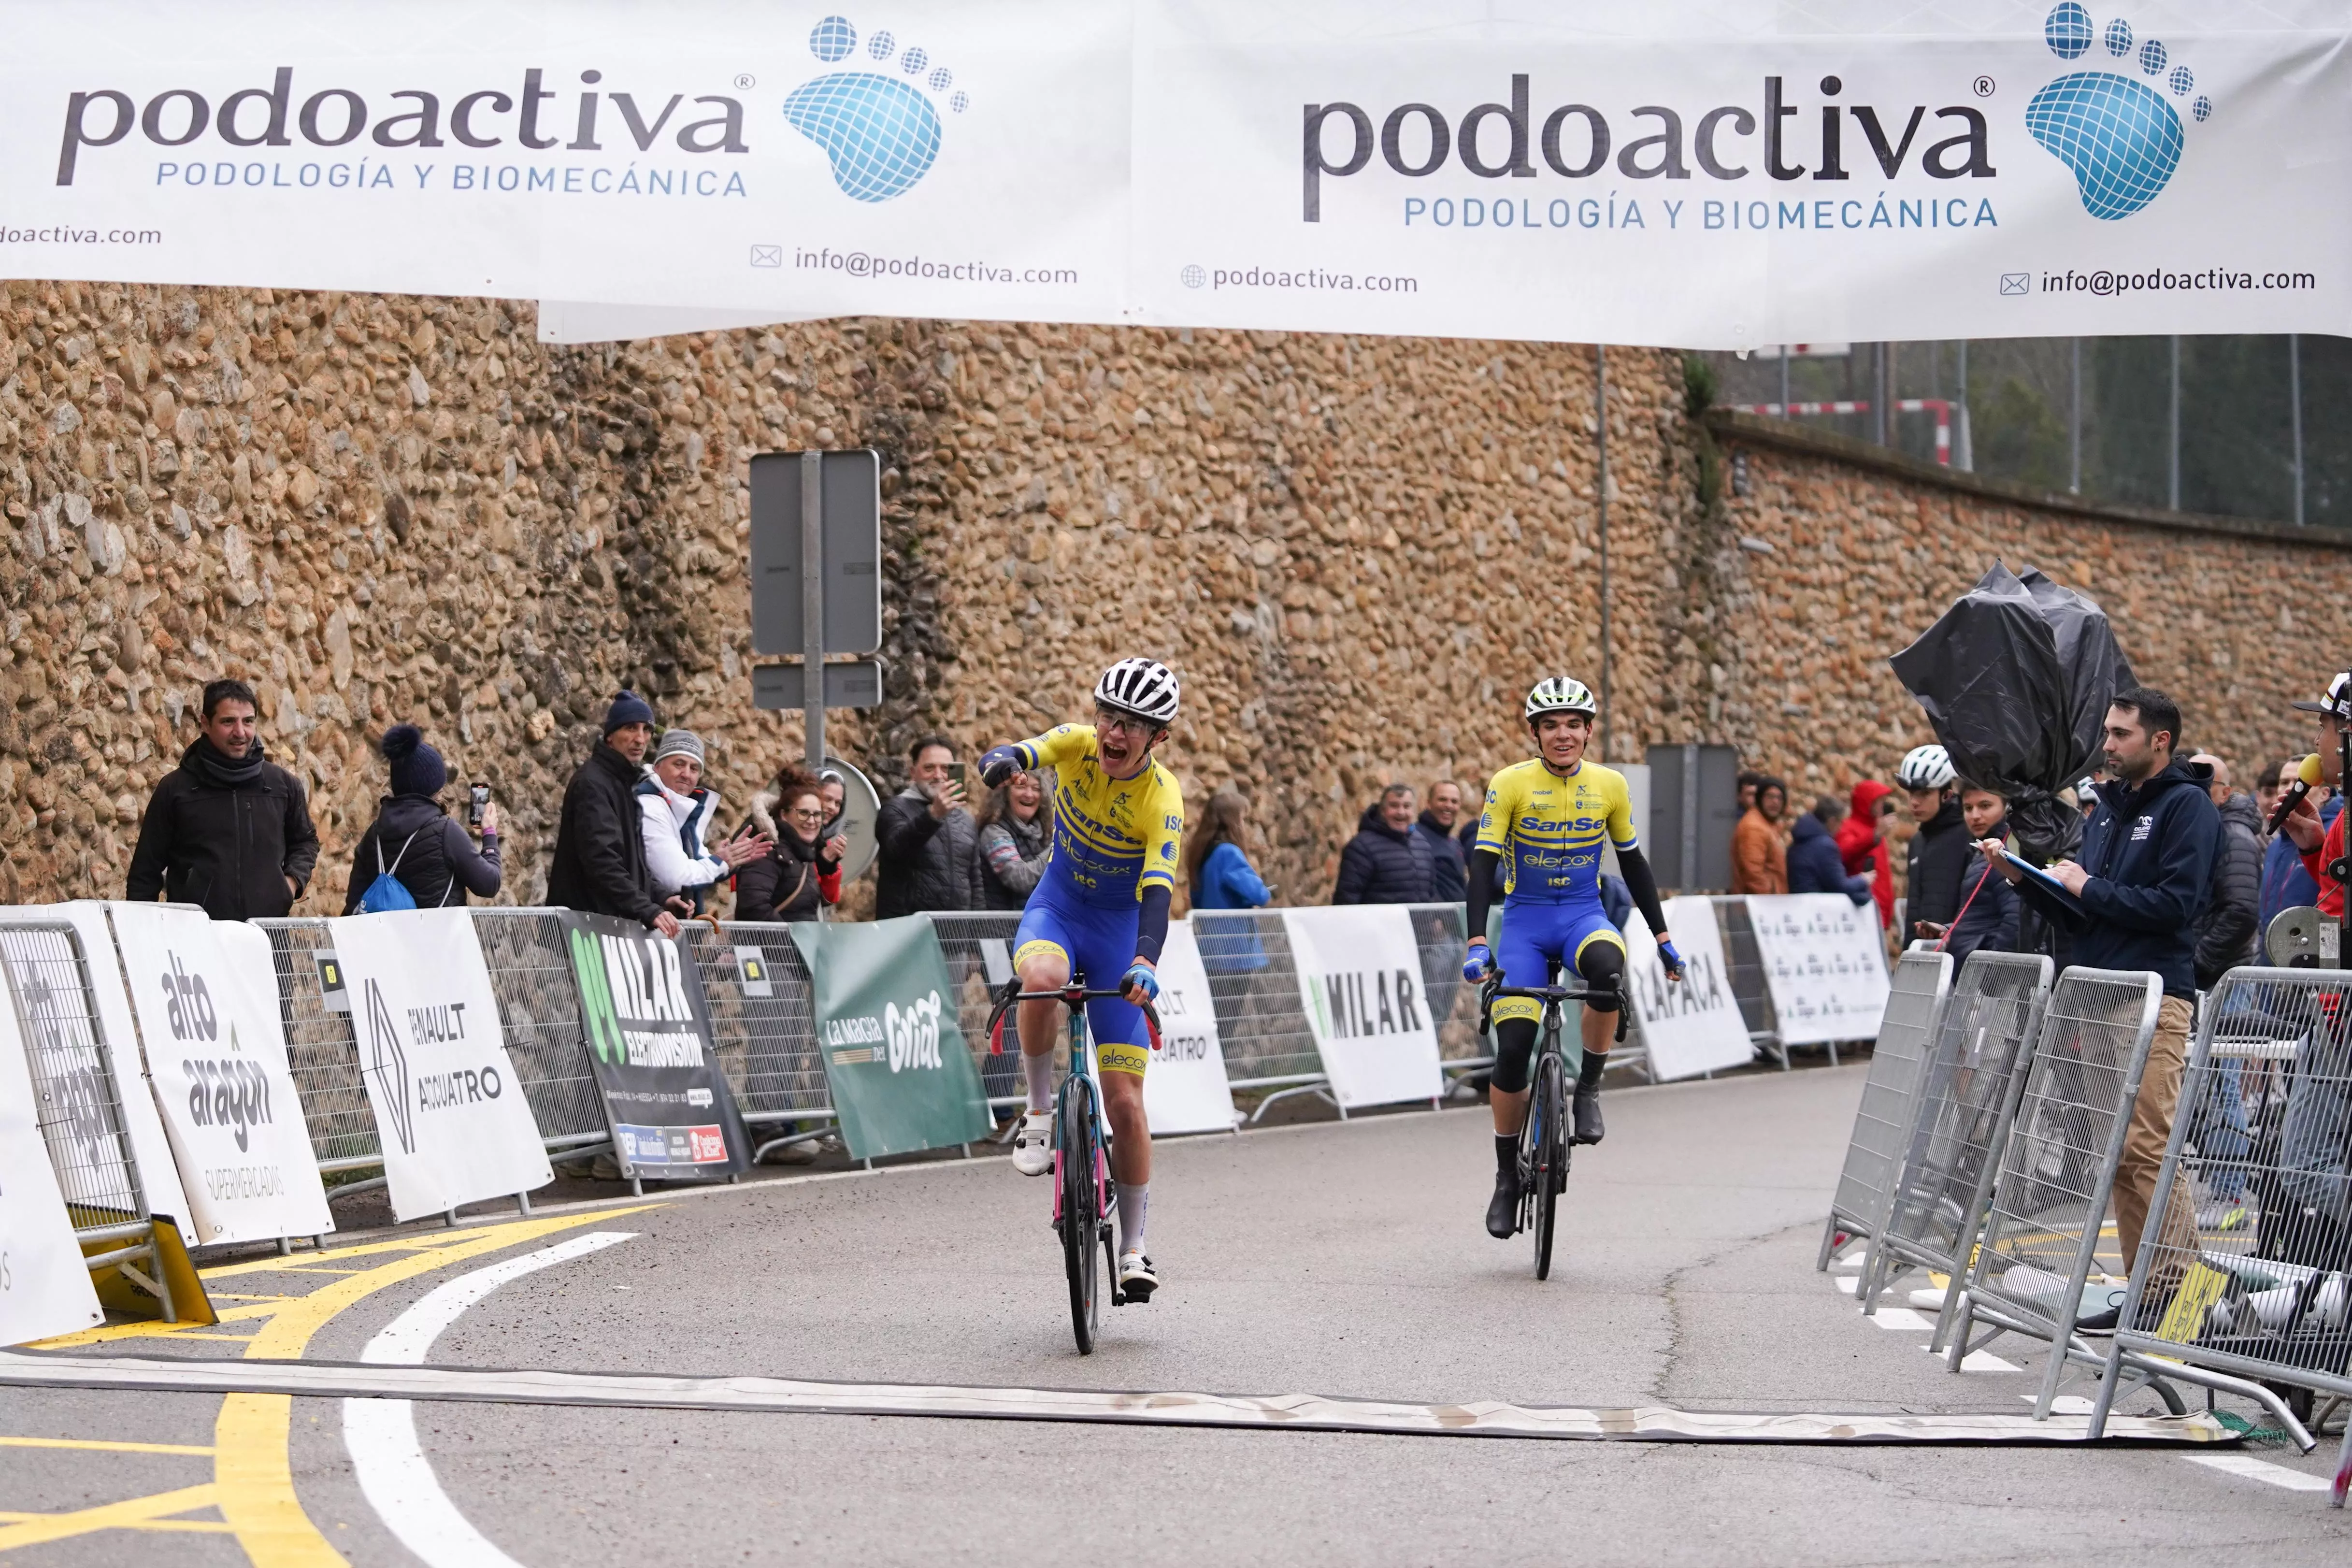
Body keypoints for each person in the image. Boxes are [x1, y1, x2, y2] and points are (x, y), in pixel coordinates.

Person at [1984, 686, 2216, 1327]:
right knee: (2119, 1153)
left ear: (2159, 741)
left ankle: (2181, 1297)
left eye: (2120, 734)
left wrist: (2090, 884)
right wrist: (2027, 880)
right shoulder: (2110, 810)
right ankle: (2151, 1297)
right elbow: (2088, 906)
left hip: (2150, 999)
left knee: (2147, 1148)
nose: (2107, 745)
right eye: (2108, 733)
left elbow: (2176, 906)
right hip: (2101, 992)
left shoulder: (2187, 808)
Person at [978, 657, 1186, 1302]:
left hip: (1122, 932)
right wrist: (1003, 758)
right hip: (1060, 909)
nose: (1115, 734)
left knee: (1125, 1103)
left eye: (1133, 725)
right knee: (1041, 975)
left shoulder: (1162, 797)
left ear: (1158, 738)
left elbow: (1157, 890)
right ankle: (1039, 1112)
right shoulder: (1077, 745)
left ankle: (1132, 1246)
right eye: (1109, 717)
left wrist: (1146, 962)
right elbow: (1026, 751)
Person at [1462, 677, 1683, 1239]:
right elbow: (1483, 865)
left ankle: (1586, 1089)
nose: (1562, 734)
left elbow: (1633, 864)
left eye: (1572, 724)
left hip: (1583, 915)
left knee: (1608, 971)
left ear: (1588, 730)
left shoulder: (1608, 784)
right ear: (1534, 733)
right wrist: (1475, 942)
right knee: (1511, 1051)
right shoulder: (1509, 783)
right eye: (1550, 725)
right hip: (1525, 925)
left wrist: (1661, 938)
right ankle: (1505, 1178)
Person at [125, 677, 319, 920]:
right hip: (197, 936)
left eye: (248, 721)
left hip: (267, 934)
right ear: (205, 724)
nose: (240, 732)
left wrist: (289, 885)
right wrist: (141, 934)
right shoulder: (176, 789)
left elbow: (306, 841)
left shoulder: (282, 785)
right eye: (228, 722)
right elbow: (145, 872)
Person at [545, 690, 682, 936]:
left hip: (608, 932)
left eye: (646, 730)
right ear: (610, 736)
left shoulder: (624, 783)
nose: (640, 739)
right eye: (631, 728)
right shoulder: (592, 784)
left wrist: (660, 898)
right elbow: (603, 863)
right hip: (585, 936)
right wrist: (649, 910)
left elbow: (632, 864)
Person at [339, 724, 502, 912]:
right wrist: (489, 833)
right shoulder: (447, 832)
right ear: (432, 789)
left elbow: (353, 905)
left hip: (386, 941)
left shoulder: (373, 835)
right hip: (439, 940)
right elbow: (489, 884)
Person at [636, 729, 769, 915]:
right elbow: (677, 877)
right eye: (679, 764)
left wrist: (729, 858)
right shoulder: (650, 805)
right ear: (658, 767)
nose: (686, 774)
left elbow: (699, 864)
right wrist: (722, 861)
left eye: (694, 768)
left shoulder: (681, 807)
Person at [875, 735, 982, 919]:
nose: (938, 775)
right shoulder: (895, 810)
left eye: (946, 769)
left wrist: (979, 934)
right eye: (929, 768)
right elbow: (896, 850)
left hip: (956, 934)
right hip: (908, 932)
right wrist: (933, 816)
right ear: (913, 772)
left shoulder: (966, 819)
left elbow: (975, 881)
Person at [1186, 786, 1273, 977]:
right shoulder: (1228, 853)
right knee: (1233, 1006)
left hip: (1210, 950)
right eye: (1243, 819)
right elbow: (1259, 895)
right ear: (1233, 821)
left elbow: (1196, 899)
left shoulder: (1201, 853)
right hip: (1236, 950)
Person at [736, 773, 846, 921]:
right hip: (774, 944)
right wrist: (791, 940)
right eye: (803, 813)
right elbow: (753, 909)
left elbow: (822, 902)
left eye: (817, 815)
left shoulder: (806, 854)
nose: (811, 821)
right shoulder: (767, 850)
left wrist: (827, 865)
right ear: (784, 815)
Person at [1900, 745, 1970, 944]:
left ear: (1947, 795)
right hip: (1920, 956)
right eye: (1911, 793)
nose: (1914, 802)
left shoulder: (1968, 835)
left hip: (1956, 956)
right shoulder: (1918, 841)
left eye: (1924, 793)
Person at [1941, 786, 2018, 963]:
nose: (1975, 816)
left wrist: (1990, 973)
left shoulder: (2006, 854)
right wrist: (1950, 929)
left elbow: (2016, 921)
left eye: (1985, 806)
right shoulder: (1982, 852)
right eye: (1968, 808)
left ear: (2007, 807)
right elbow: (1983, 917)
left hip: (1987, 982)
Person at [1333, 783, 1436, 905]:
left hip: (1419, 924)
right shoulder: (1361, 847)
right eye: (1394, 806)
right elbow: (1347, 898)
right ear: (1382, 811)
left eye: (1407, 806)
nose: (1401, 812)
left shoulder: (1423, 845)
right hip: (1378, 924)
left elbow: (1431, 892)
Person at [975, 765, 1053, 910]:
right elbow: (1019, 878)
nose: (1029, 795)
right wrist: (1057, 849)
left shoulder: (1044, 833)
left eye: (1036, 789)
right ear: (1005, 793)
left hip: (1033, 925)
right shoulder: (994, 832)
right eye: (1021, 787)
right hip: (1002, 928)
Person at [1835, 778, 1899, 928]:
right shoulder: (1848, 828)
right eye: (1879, 801)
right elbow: (1845, 853)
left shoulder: (1876, 832)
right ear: (1867, 802)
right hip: (1862, 914)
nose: (1882, 805)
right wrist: (1875, 836)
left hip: (1877, 915)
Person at [1789, 796, 1871, 905]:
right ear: (1832, 821)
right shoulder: (1826, 846)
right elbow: (1840, 887)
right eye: (1841, 822)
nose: (1841, 828)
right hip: (1817, 911)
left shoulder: (1800, 840)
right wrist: (1863, 880)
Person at [1731, 776, 1789, 895]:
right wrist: (1769, 901)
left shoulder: (1767, 824)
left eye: (1780, 798)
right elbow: (1753, 874)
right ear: (1760, 798)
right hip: (1759, 906)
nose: (1775, 802)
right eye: (1770, 796)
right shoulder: (1754, 828)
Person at [1417, 780, 1470, 902]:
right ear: (1429, 803)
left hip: (1458, 917)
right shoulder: (1415, 838)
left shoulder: (1455, 843)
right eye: (1442, 800)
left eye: (1454, 801)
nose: (1449, 806)